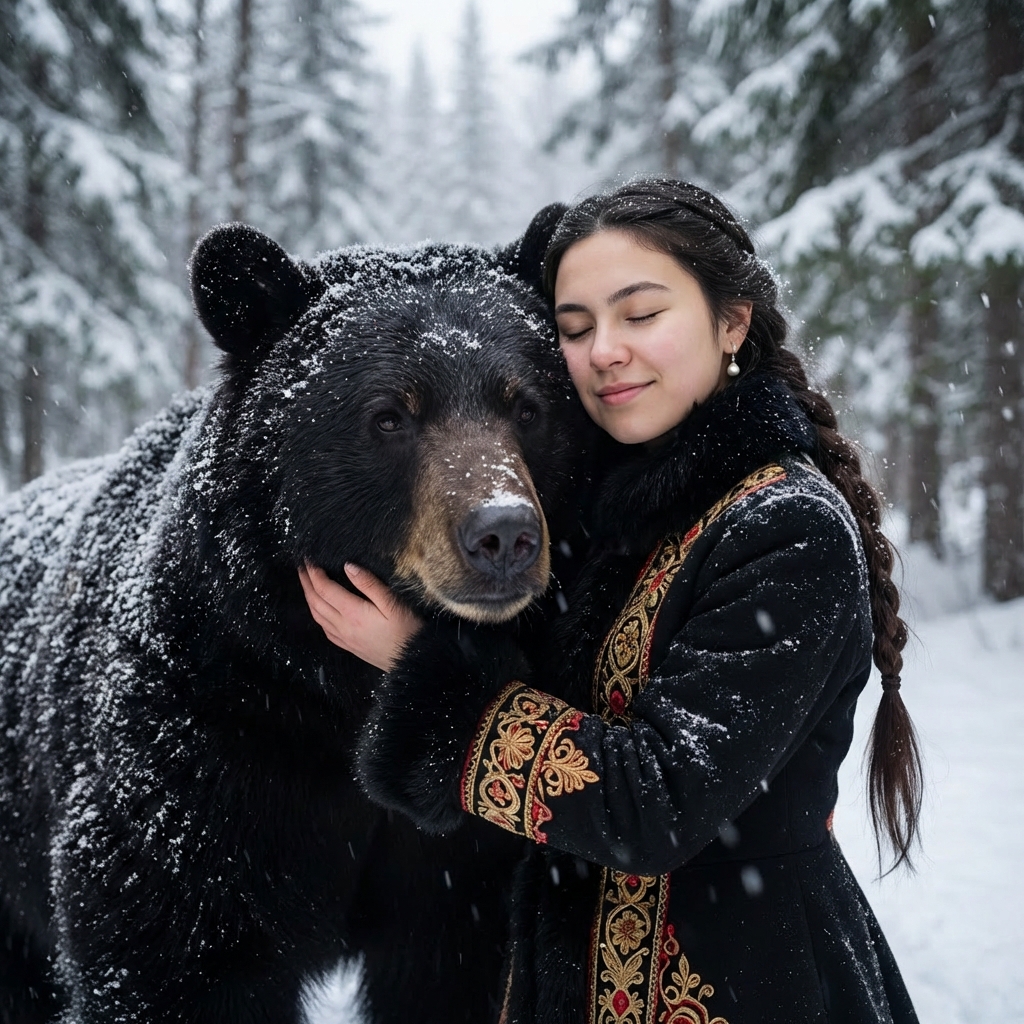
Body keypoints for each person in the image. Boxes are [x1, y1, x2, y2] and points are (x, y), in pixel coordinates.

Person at [299, 179, 922, 1024]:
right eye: (575, 327)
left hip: (747, 982)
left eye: (640, 314)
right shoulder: (601, 519)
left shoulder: (787, 529)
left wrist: (423, 671)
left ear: (731, 322)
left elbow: (657, 804)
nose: (603, 352)